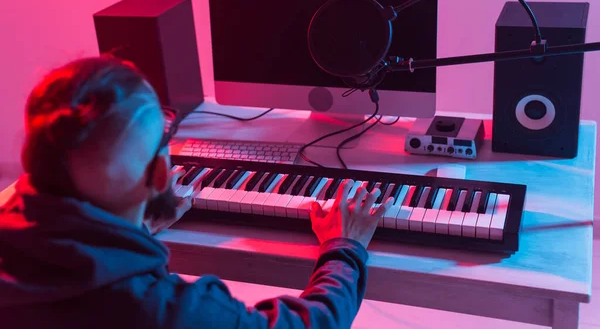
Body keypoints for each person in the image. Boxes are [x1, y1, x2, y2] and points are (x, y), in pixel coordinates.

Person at [0, 56, 392, 328]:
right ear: (158, 175)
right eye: (165, 132)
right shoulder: (165, 312)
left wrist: (134, 231)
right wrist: (345, 247)